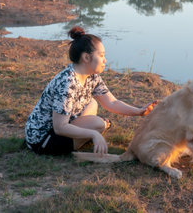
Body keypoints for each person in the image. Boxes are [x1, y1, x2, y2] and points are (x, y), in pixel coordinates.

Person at [24, 26, 157, 156]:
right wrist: (93, 134)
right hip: (43, 140)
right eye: (101, 55)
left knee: (92, 103)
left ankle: (89, 132)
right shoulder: (67, 83)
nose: (105, 60)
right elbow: (60, 127)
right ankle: (91, 133)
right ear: (86, 58)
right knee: (98, 124)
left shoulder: (92, 76)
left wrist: (139, 111)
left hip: (63, 124)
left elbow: (111, 102)